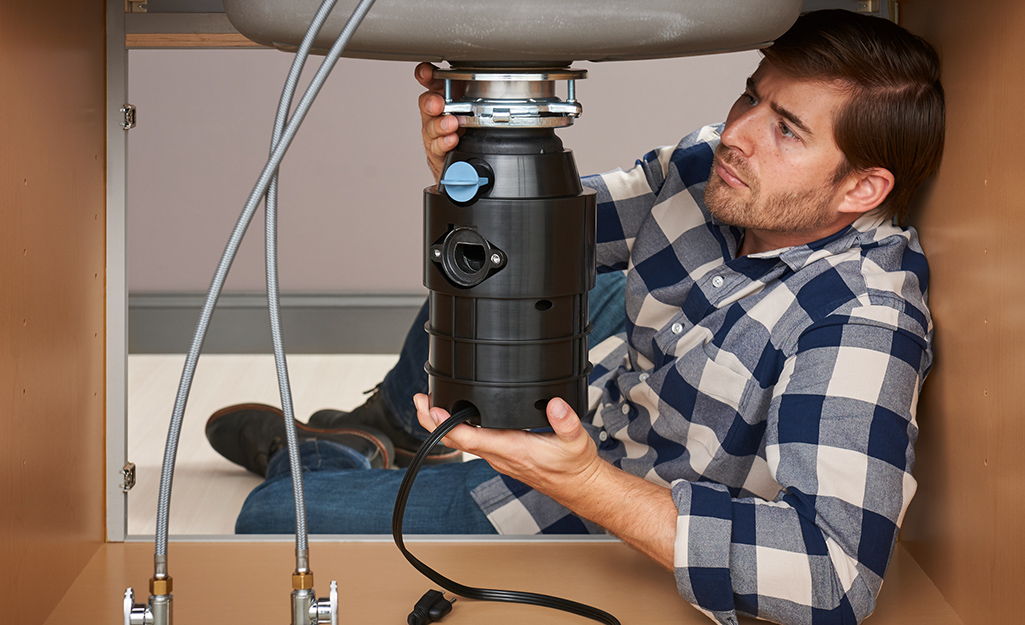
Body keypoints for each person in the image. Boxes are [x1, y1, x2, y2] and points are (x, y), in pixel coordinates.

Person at [206, 10, 944, 624]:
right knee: (502, 256)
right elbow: (542, 236)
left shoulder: (860, 320)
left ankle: (348, 454)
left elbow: (834, 577)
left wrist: (585, 482)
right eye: (749, 98)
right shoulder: (713, 173)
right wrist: (472, 168)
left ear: (860, 188)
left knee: (270, 518)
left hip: (609, 486)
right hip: (623, 383)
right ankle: (400, 422)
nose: (736, 134)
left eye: (785, 129)